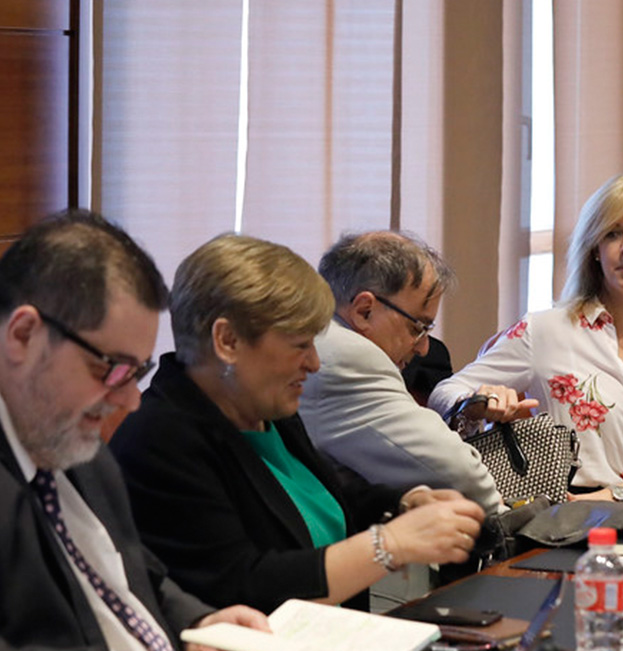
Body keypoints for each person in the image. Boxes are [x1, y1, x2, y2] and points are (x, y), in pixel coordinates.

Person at [0, 209, 270, 651]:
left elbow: (133, 577)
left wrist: (200, 626)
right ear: (24, 334)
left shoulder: (77, 450)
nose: (131, 399)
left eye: (140, 372)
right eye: (112, 369)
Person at [111, 235, 484, 613]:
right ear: (228, 341)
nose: (314, 363)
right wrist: (387, 544)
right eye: (299, 344)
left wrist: (405, 502)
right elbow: (241, 586)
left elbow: (325, 495)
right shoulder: (160, 439)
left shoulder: (269, 410)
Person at [430, 172, 623, 501]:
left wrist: (618, 496)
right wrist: (479, 403)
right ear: (595, 249)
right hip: (564, 521)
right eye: (612, 234)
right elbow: (444, 393)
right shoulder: (544, 331)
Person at [299, 230, 529, 515]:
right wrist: (503, 514)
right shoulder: (349, 357)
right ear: (364, 311)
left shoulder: (317, 338)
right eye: (418, 327)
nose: (423, 348)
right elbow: (457, 472)